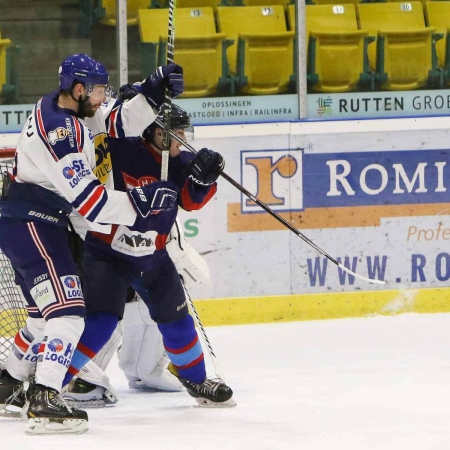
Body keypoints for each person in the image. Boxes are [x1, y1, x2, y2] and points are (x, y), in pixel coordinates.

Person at [0, 53, 184, 435]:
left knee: (39, 320)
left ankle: (7, 382)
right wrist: (141, 202)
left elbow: (115, 122)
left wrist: (152, 93)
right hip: (32, 224)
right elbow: (92, 204)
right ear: (79, 89)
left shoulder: (75, 110)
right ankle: (44, 397)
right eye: (100, 89)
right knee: (68, 315)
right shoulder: (59, 134)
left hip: (34, 223)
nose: (105, 96)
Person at [59, 100, 235, 409]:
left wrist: (204, 180)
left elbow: (191, 202)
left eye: (184, 133)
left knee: (178, 322)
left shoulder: (181, 161)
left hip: (153, 256)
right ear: (153, 132)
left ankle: (196, 380)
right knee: (100, 325)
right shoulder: (120, 151)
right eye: (175, 133)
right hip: (107, 254)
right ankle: (48, 385)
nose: (182, 140)